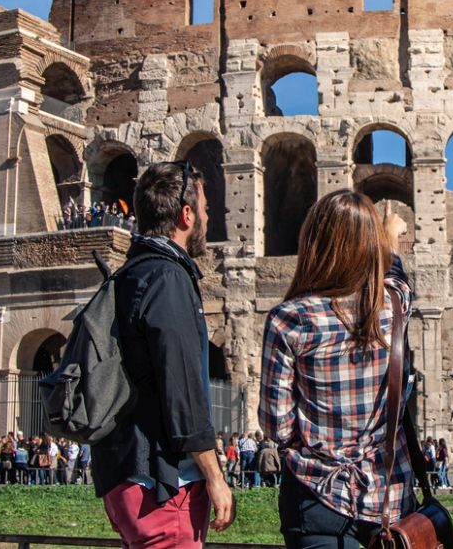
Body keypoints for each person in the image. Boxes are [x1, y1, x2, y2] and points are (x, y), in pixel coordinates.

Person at [260, 191, 416, 549]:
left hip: (316, 496)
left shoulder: (289, 320)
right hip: (386, 496)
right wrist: (389, 242)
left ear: (313, 244)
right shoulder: (393, 308)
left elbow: (276, 426)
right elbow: (396, 281)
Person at [90, 161, 234, 549]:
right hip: (162, 483)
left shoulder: (130, 272)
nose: (207, 216)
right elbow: (182, 388)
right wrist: (215, 477)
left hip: (126, 472)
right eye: (204, 209)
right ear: (185, 215)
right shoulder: (167, 277)